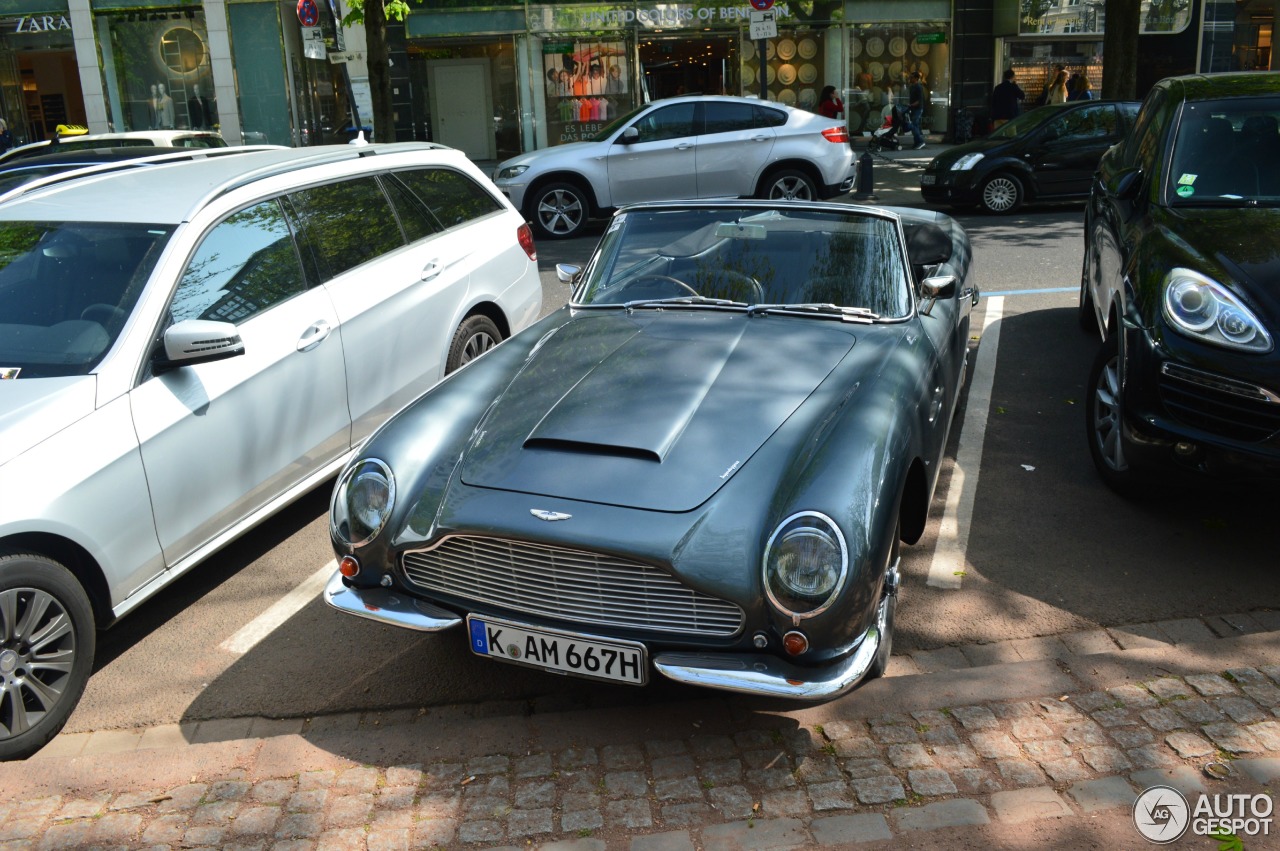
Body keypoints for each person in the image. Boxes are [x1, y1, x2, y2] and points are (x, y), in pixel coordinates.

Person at [906, 71, 926, 150]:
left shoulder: (918, 87)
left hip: (918, 109)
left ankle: (920, 141)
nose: (910, 79)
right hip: (913, 108)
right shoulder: (912, 86)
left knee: (914, 125)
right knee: (915, 126)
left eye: (912, 77)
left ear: (916, 78)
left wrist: (911, 105)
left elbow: (919, 100)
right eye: (910, 77)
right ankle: (917, 142)